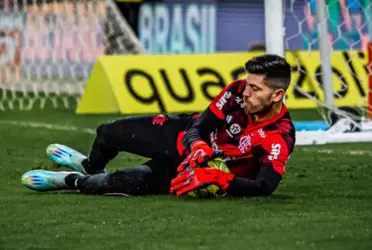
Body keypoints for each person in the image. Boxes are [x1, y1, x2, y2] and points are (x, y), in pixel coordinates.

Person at [21, 54, 296, 198]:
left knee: (125, 181)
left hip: (190, 170)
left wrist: (217, 178)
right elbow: (198, 127)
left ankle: (71, 181)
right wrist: (198, 144)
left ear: (276, 95)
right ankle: (89, 165)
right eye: (247, 85)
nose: (246, 92)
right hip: (178, 137)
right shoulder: (237, 91)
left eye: (255, 89)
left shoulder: (278, 137)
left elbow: (264, 187)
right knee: (108, 132)